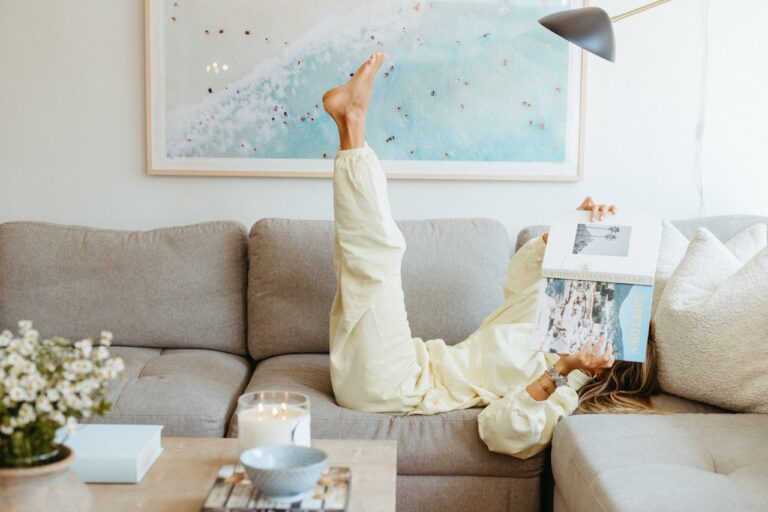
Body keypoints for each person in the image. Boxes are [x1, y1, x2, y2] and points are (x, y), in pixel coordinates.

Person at [322, 53, 659, 460]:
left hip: (397, 384)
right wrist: (575, 230)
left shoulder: (565, 387)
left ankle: (353, 121)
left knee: (378, 259)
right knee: (360, 262)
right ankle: (346, 120)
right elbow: (520, 281)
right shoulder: (550, 324)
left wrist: (566, 370)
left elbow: (500, 430)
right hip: (411, 357)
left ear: (610, 363)